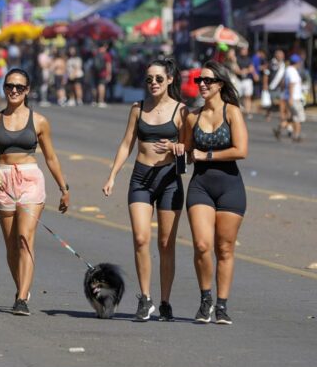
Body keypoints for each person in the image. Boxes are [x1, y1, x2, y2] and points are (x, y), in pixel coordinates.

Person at [102, 59, 187, 321]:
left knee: (165, 243)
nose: (153, 83)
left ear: (170, 80)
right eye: (149, 79)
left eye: (159, 79)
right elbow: (127, 143)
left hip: (169, 178)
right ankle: (145, 298)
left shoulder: (181, 111)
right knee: (141, 238)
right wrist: (113, 175)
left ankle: (165, 301)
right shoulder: (138, 109)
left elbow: (187, 153)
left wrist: (175, 148)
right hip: (140, 178)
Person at [0, 68, 70, 316]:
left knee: (24, 238)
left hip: (31, 179)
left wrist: (64, 188)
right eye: (10, 86)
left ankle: (21, 298)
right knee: (11, 246)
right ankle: (22, 286)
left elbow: (51, 158)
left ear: (27, 90)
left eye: (19, 87)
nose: (14, 90)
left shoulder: (39, 121)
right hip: (4, 180)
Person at [183, 61, 248, 325]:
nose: (202, 85)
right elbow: (188, 152)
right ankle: (205, 299)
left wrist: (206, 154)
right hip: (200, 186)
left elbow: (241, 150)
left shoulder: (232, 112)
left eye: (208, 80)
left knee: (225, 248)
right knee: (201, 245)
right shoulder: (192, 116)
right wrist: (178, 151)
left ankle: (222, 306)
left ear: (220, 84)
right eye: (200, 80)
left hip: (230, 186)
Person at [275, 54, 305, 143]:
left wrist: (285, 94)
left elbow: (283, 83)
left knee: (292, 117)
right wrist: (291, 97)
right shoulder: (293, 72)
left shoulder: (288, 70)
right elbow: (292, 84)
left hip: (289, 97)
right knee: (298, 118)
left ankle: (280, 129)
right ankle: (296, 136)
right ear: (297, 62)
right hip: (294, 98)